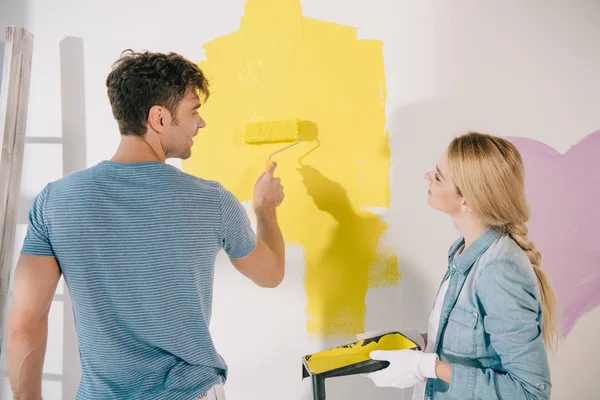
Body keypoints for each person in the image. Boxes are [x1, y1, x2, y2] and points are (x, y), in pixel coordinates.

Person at [7, 50, 285, 400]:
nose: (200, 124)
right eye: (193, 111)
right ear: (159, 118)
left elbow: (25, 324)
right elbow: (270, 273)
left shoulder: (55, 201)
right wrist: (265, 208)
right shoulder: (211, 200)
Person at [360, 132, 556, 399]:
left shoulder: (499, 269)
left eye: (439, 176)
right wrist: (416, 341)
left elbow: (529, 392)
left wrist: (429, 367)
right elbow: (476, 347)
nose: (427, 176)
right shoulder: (463, 253)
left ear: (468, 201)